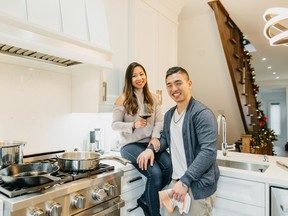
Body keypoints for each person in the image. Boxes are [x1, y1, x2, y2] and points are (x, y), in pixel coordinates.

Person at [138, 66, 220, 216]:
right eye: (169, 85)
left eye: (178, 83)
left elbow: (208, 153)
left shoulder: (202, 114)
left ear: (189, 83)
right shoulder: (169, 115)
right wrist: (151, 149)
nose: (173, 88)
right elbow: (165, 140)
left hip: (196, 187)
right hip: (175, 184)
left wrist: (185, 181)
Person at [112, 62, 172, 216]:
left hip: (149, 144)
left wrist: (155, 138)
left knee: (169, 168)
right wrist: (133, 124)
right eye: (134, 76)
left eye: (141, 74)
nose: (139, 78)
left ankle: (145, 199)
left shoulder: (153, 97)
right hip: (130, 145)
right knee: (156, 174)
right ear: (129, 79)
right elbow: (115, 125)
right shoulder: (123, 99)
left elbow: (159, 122)